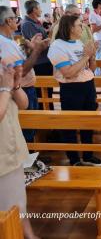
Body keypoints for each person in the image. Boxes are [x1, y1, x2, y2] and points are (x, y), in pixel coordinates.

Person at [47, 15, 101, 166]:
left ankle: (88, 155)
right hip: (72, 89)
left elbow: (91, 69)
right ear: (70, 28)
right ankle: (74, 159)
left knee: (88, 122)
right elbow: (69, 73)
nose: (83, 27)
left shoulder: (78, 42)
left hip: (87, 86)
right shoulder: (57, 46)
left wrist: (92, 56)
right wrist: (86, 56)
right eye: (79, 25)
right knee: (71, 125)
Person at [0, 64, 40, 239]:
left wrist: (15, 84)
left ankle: (29, 235)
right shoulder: (3, 87)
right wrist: (6, 89)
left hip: (12, 148)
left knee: (18, 201)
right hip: (2, 155)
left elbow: (24, 104)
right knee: (8, 210)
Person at [0, 6, 49, 142]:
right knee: (26, 127)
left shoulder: (9, 40)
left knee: (29, 126)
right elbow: (22, 71)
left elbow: (19, 62)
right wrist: (37, 50)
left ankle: (31, 156)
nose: (17, 20)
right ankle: (28, 159)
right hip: (19, 90)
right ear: (9, 21)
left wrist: (30, 49)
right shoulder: (5, 43)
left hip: (23, 88)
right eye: (15, 18)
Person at [21, 0, 53, 110]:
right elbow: (38, 45)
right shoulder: (27, 24)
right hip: (39, 62)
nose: (41, 10)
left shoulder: (36, 22)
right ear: (34, 9)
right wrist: (50, 37)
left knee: (48, 91)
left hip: (45, 60)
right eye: (39, 8)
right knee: (42, 93)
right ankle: (45, 118)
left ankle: (50, 114)